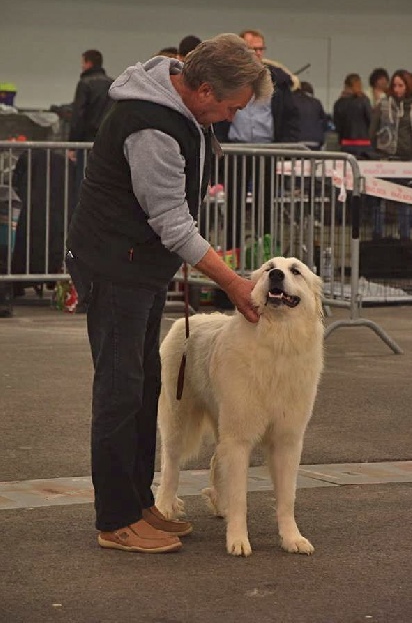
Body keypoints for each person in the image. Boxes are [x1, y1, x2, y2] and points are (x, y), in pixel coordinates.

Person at [66, 33, 273, 554]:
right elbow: (172, 223)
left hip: (141, 267)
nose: (227, 118)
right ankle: (115, 520)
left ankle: (139, 505)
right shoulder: (151, 125)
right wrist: (231, 281)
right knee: (119, 391)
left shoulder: (182, 108)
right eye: (228, 108)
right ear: (203, 90)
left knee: (144, 384)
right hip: (117, 268)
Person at [214, 29, 300, 253]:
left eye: (261, 48)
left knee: (266, 205)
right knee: (234, 205)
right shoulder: (227, 80)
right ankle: (233, 252)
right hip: (236, 150)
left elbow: (291, 115)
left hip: (267, 149)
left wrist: (286, 144)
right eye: (253, 48)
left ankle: (265, 252)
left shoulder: (277, 82)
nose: (258, 53)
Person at [370, 69, 412, 239]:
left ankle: (405, 237)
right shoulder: (383, 105)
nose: (397, 89)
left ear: (408, 87)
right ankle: (377, 235)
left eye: (401, 85)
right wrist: (378, 150)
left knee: (404, 201)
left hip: (408, 159)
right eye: (395, 85)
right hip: (387, 158)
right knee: (380, 200)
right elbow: (372, 130)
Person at [68, 50, 114, 199]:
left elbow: (78, 116)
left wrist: (72, 144)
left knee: (83, 182)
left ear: (88, 63)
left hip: (86, 142)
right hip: (107, 142)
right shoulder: (112, 84)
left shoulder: (84, 84)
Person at [333, 73, 372, 158]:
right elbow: (370, 120)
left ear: (345, 86)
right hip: (364, 144)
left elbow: (337, 126)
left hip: (346, 144)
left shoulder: (339, 103)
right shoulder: (364, 100)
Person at [292, 81, 327, 149]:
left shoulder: (291, 101)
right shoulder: (317, 102)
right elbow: (324, 123)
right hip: (315, 141)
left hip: (296, 141)